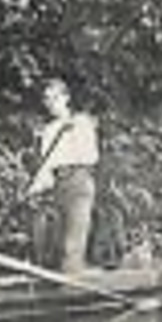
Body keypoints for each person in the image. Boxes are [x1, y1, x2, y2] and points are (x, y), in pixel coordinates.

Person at [26, 78, 99, 273]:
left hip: (78, 182)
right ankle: (60, 291)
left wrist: (72, 133)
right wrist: (35, 188)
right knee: (53, 247)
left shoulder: (81, 122)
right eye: (47, 100)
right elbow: (47, 168)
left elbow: (90, 157)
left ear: (66, 98)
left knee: (72, 247)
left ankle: (76, 287)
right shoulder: (48, 131)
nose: (51, 104)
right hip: (57, 185)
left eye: (55, 98)